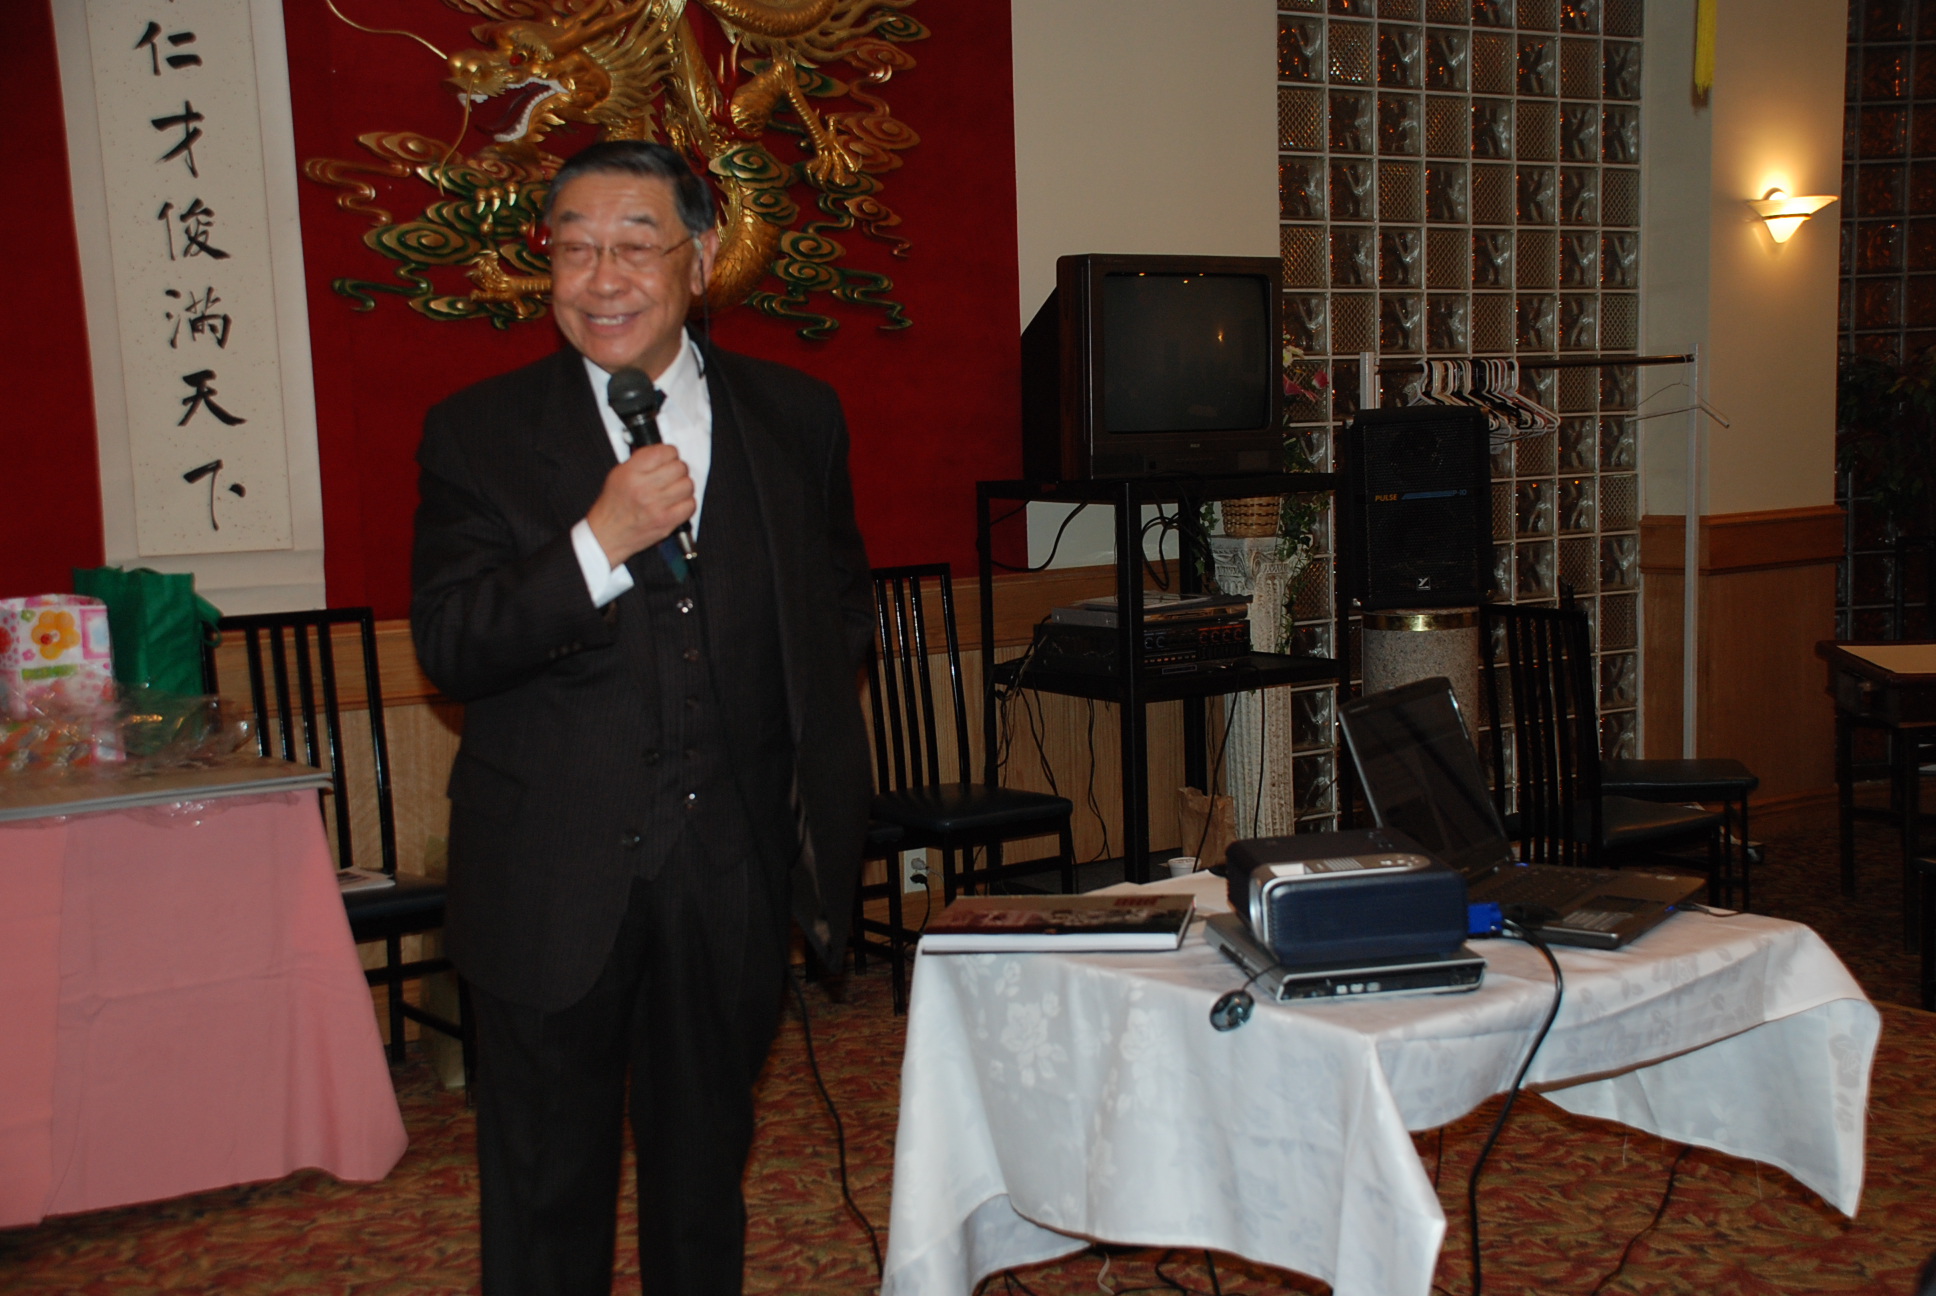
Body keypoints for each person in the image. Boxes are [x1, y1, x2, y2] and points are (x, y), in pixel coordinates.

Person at [410, 139, 874, 1296]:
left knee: (703, 1184)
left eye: (634, 244)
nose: (602, 277)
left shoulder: (798, 415)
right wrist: (596, 543)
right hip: (548, 875)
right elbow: (451, 645)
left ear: (700, 259)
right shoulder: (475, 430)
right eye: (574, 249)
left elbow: (837, 613)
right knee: (544, 1196)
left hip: (727, 876)